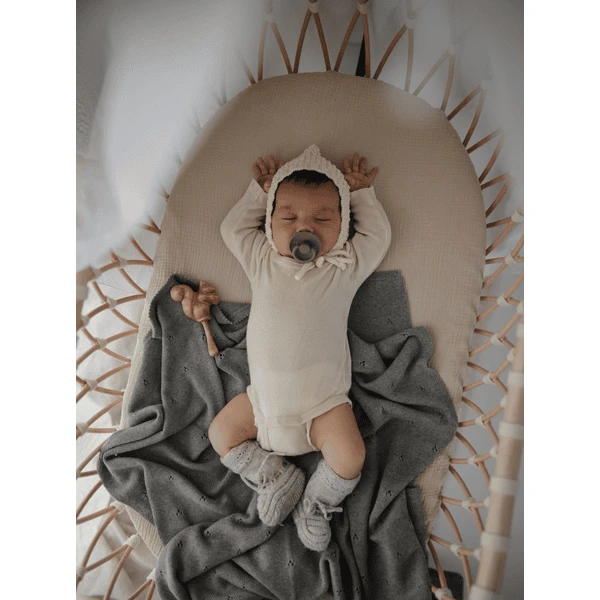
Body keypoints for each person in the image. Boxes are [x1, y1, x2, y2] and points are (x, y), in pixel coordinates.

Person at [207, 144, 391, 551]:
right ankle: (274, 476)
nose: (303, 227)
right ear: (270, 224)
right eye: (288, 218)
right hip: (262, 404)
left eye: (322, 219)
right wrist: (258, 193)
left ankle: (316, 503)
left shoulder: (343, 266)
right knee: (220, 433)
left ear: (342, 226)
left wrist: (363, 195)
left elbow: (377, 238)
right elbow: (232, 230)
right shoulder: (262, 260)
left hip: (323, 406)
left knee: (350, 456)